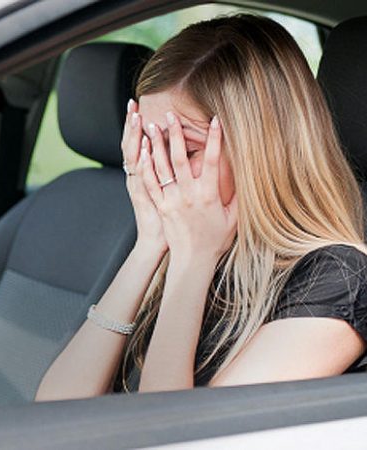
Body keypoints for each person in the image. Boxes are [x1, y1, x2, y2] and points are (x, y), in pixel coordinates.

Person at [35, 13, 367, 401]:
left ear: (259, 153)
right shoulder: (187, 242)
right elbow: (54, 407)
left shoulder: (339, 279)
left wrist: (193, 261)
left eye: (183, 149)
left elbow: (170, 432)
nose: (159, 169)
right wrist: (149, 246)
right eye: (147, 143)